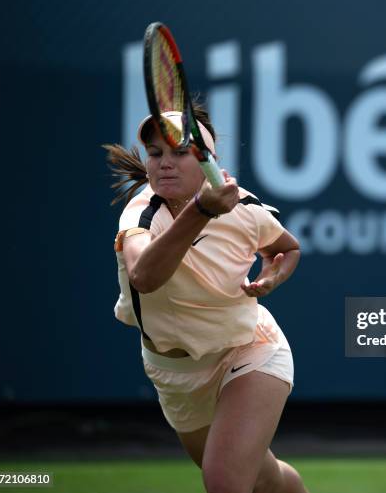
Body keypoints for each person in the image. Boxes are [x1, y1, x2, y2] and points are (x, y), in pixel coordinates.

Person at [105, 107, 308, 493]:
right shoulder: (141, 214)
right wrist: (202, 211)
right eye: (155, 153)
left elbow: (287, 248)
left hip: (249, 348)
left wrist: (272, 275)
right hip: (174, 373)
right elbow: (144, 276)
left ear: (208, 160)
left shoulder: (243, 206)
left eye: (180, 153)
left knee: (224, 483)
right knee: (265, 479)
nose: (164, 163)